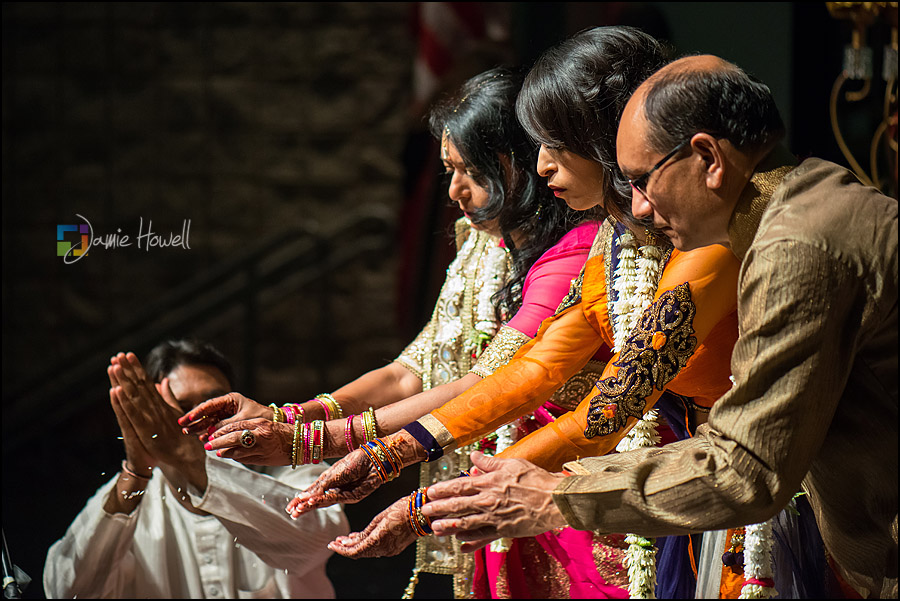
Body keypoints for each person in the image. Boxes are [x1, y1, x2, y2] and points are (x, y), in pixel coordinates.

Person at [418, 55, 898, 599]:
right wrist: (387, 446)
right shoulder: (810, 197)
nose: (639, 206)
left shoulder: (795, 246)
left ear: (708, 158)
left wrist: (554, 499)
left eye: (642, 181)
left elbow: (747, 467)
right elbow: (539, 364)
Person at [291, 27, 743, 599]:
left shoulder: (706, 242)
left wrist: (428, 498)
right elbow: (536, 370)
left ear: (608, 139)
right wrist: (391, 455)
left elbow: (605, 407)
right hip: (683, 485)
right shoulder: (618, 244)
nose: (543, 165)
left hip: (740, 486)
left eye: (555, 144)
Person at [179, 67, 603, 598]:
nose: (454, 191)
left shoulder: (578, 252)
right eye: (450, 170)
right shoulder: (487, 243)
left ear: (518, 166)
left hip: (573, 497)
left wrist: (312, 443)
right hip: (499, 488)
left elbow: (491, 382)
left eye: (469, 170)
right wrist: (291, 417)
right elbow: (411, 372)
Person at [43, 340, 349, 599]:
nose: (201, 420)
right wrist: (137, 470)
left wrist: (189, 461)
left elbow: (318, 542)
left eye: (214, 405)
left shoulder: (285, 468)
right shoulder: (129, 496)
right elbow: (66, 590)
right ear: (151, 417)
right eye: (184, 409)